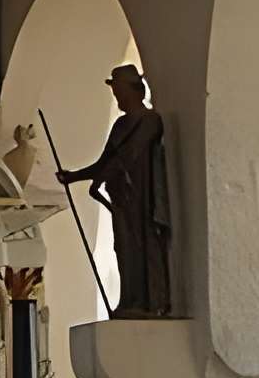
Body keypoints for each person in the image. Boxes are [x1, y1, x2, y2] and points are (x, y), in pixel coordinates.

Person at [58, 64, 176, 317]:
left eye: (119, 92)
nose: (117, 98)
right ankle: (129, 300)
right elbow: (105, 161)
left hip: (142, 199)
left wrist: (100, 178)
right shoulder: (121, 124)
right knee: (122, 248)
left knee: (143, 246)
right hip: (122, 198)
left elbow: (127, 156)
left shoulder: (149, 121)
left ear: (133, 91)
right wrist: (75, 176)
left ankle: (150, 302)